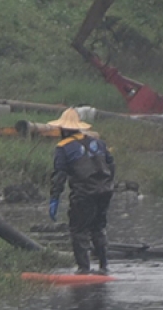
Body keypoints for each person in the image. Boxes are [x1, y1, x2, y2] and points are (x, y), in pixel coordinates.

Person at [46, 108, 116, 275]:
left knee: (79, 230)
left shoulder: (63, 147)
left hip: (84, 193)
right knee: (98, 227)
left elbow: (59, 175)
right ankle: (104, 266)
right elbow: (111, 164)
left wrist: (54, 198)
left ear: (63, 129)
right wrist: (109, 183)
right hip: (105, 191)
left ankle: (83, 269)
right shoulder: (98, 143)